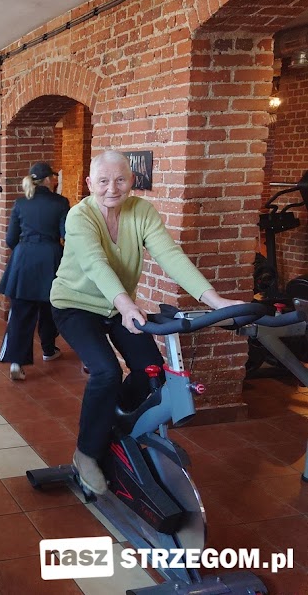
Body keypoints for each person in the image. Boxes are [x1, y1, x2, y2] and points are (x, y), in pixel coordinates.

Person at [50, 150, 242, 495]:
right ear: (90, 183)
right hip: (75, 305)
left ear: (132, 181)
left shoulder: (142, 211)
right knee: (106, 371)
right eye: (103, 181)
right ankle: (86, 453)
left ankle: (111, 422)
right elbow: (95, 264)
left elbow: (170, 256)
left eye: (120, 180)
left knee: (150, 368)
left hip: (117, 307)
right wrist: (126, 304)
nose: (112, 188)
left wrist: (216, 301)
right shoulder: (79, 216)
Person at [0, 162, 69, 380]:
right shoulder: (60, 202)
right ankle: (48, 349)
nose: (54, 180)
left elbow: (11, 239)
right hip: (51, 258)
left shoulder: (20, 203)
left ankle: (17, 362)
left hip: (24, 259)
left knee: (21, 312)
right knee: (51, 307)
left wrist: (26, 250)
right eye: (53, 177)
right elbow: (66, 234)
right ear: (47, 180)